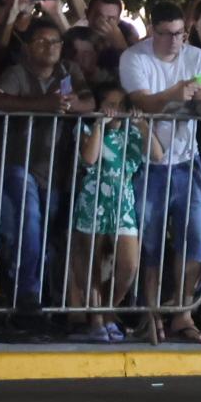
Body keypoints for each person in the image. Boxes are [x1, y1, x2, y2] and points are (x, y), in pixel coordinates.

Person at [119, 2, 201, 342]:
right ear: (152, 31)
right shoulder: (135, 58)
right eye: (167, 34)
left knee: (197, 237)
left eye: (180, 34)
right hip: (147, 163)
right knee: (150, 241)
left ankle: (183, 312)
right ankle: (150, 314)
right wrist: (175, 93)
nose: (175, 41)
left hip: (187, 160)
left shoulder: (198, 58)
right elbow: (143, 102)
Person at [0, 17, 92, 319]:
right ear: (28, 47)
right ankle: (27, 297)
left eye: (55, 41)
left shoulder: (68, 72)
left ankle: (38, 300)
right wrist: (41, 104)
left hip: (55, 168)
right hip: (18, 163)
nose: (50, 47)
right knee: (28, 224)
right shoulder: (17, 72)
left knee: (42, 234)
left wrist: (71, 104)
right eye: (42, 41)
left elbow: (89, 102)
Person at [67, 81, 151, 341]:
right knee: (91, 259)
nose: (116, 110)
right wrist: (100, 125)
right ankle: (97, 320)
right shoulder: (86, 128)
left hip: (123, 202)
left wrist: (143, 126)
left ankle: (107, 308)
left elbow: (158, 154)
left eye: (121, 105)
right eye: (111, 104)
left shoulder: (132, 133)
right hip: (94, 199)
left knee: (129, 264)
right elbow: (89, 159)